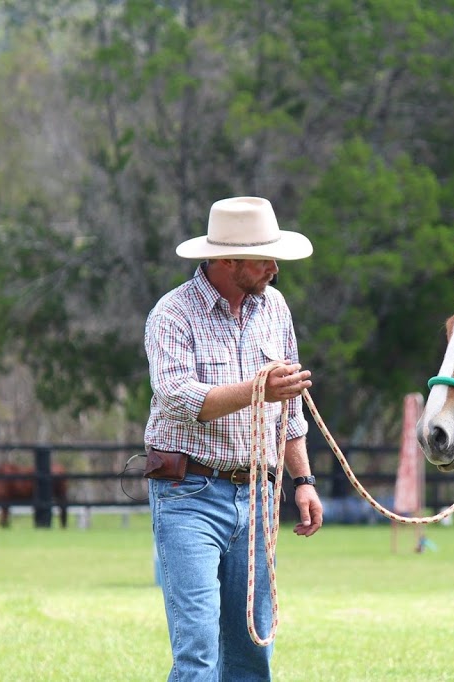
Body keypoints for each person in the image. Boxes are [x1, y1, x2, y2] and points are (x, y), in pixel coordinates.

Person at [144, 196, 324, 681]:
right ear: (226, 261)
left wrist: (302, 478)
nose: (274, 269)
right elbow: (180, 398)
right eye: (264, 259)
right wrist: (258, 389)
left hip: (260, 496)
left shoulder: (275, 308)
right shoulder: (172, 315)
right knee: (198, 650)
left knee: (251, 650)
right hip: (189, 495)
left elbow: (289, 407)